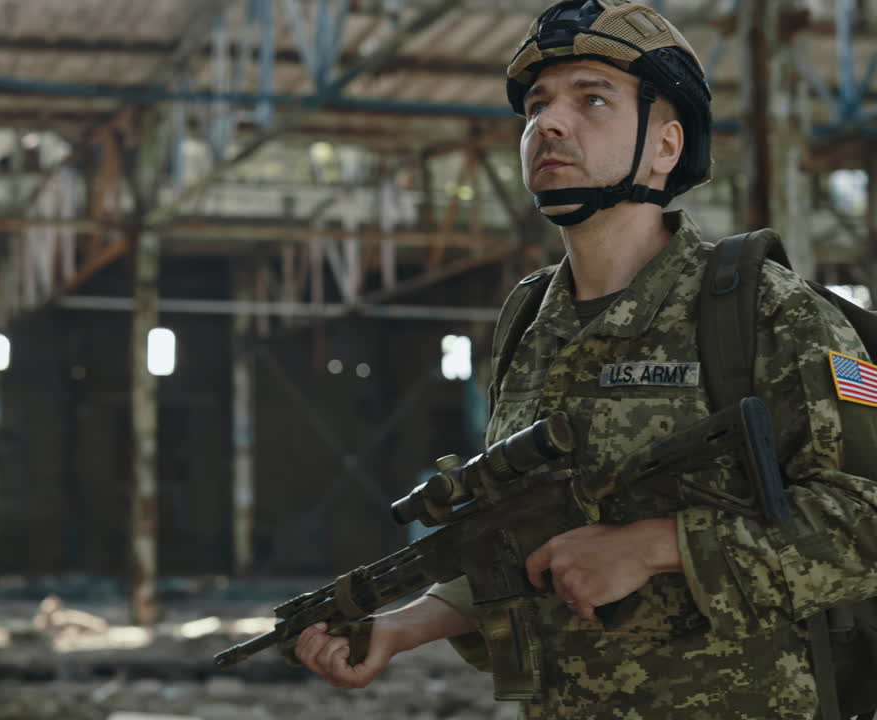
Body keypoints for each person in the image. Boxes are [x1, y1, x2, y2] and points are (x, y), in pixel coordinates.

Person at [293, 1, 877, 718]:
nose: (549, 125)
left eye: (591, 99)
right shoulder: (529, 323)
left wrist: (658, 546)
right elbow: (526, 545)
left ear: (665, 147)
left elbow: (863, 523)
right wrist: (398, 628)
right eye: (537, 106)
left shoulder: (762, 310)